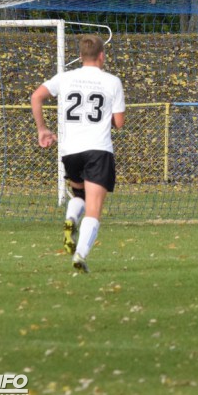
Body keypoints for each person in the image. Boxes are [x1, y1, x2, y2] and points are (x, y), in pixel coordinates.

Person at [31, 35, 125, 273]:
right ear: (102, 56)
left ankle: (71, 219)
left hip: (70, 151)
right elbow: (119, 123)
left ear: (81, 57)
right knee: (94, 209)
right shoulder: (112, 81)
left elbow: (36, 97)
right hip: (98, 150)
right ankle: (80, 255)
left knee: (80, 196)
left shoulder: (65, 77)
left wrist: (42, 129)